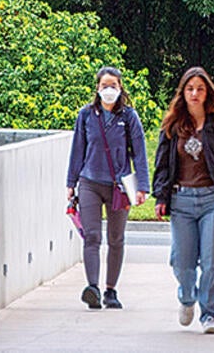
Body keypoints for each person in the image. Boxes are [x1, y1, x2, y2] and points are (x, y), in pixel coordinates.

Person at [151, 68, 214, 334]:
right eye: (190, 88)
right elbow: (161, 164)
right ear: (183, 92)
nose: (195, 93)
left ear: (208, 93)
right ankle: (186, 297)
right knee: (181, 262)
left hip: (213, 201)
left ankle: (210, 314)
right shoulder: (173, 124)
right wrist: (160, 195)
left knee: (212, 261)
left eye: (200, 89)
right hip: (181, 201)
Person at [67, 67, 151, 310]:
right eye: (104, 86)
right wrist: (71, 184)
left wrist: (142, 187)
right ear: (97, 88)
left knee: (116, 238)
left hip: (119, 187)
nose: (109, 90)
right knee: (92, 236)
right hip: (90, 182)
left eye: (113, 85)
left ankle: (110, 290)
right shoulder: (86, 116)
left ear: (120, 88)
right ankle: (92, 287)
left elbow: (139, 153)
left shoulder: (129, 118)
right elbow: (77, 151)